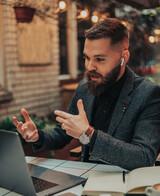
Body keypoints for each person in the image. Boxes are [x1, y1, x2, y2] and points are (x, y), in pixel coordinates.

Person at [13, 18, 160, 171]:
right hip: (85, 180)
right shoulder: (85, 86)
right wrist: (38, 136)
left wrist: (89, 134)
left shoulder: (148, 93)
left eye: (100, 59)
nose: (90, 66)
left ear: (124, 57)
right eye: (87, 58)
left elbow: (144, 157)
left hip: (124, 185)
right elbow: (61, 134)